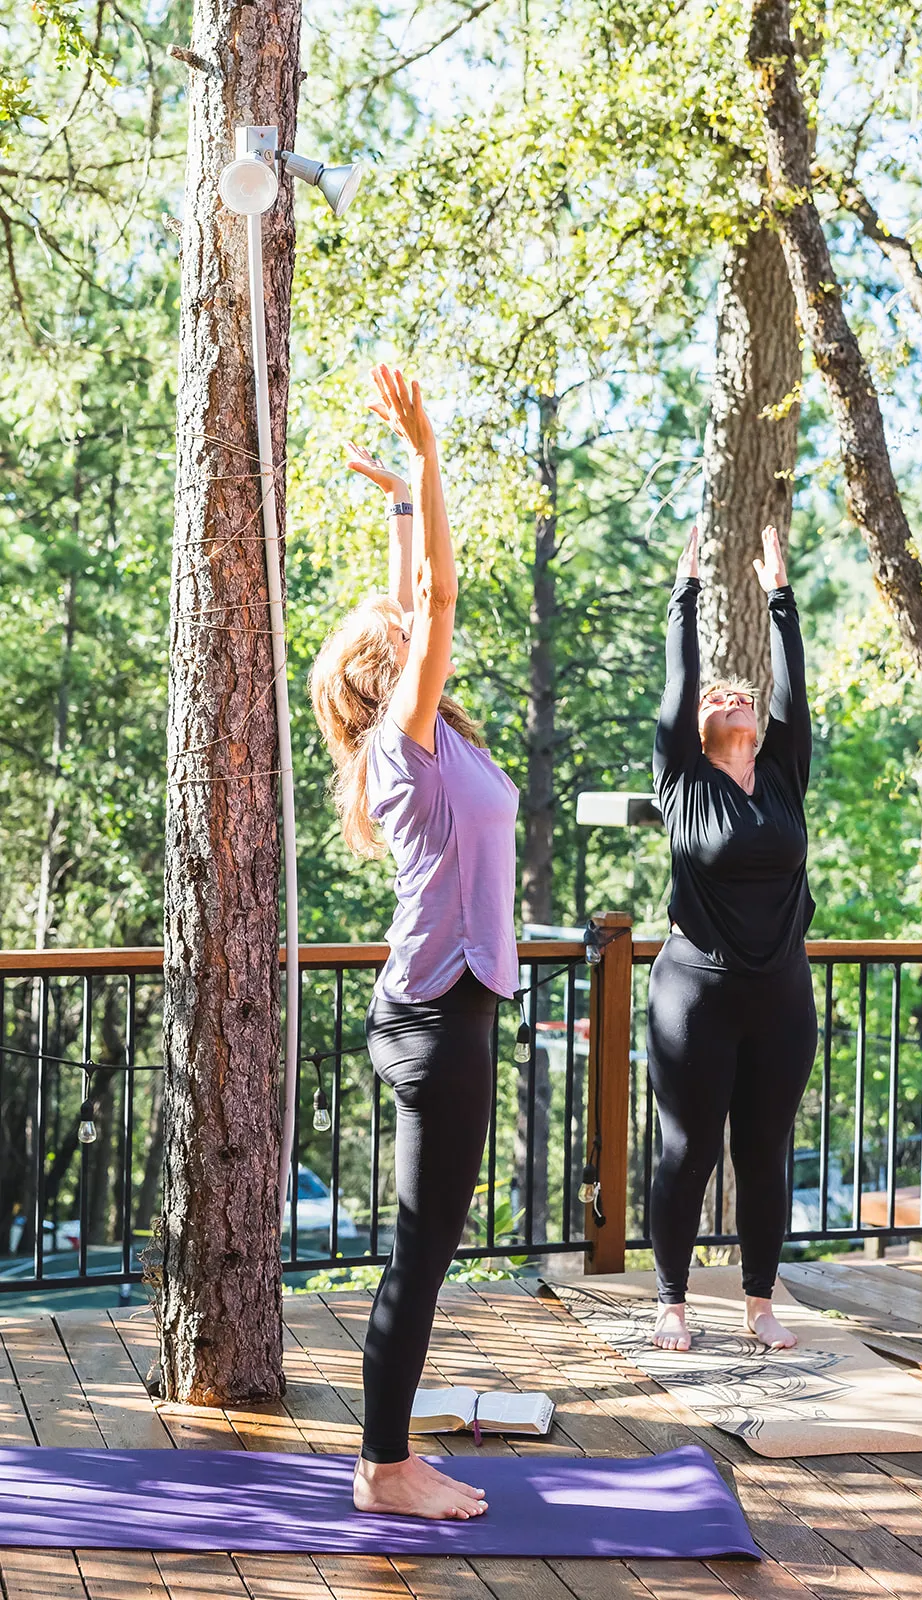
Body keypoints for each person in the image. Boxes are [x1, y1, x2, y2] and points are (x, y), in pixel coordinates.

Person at [309, 365, 519, 1519]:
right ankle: (383, 1467)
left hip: (441, 1011)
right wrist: (430, 449)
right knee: (422, 1250)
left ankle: (387, 1454)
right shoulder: (407, 739)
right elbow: (431, 599)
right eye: (386, 632)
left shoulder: (423, 736)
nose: (399, 615)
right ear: (383, 671)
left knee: (425, 1243)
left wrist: (398, 497)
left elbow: (409, 596)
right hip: (439, 1020)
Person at [646, 522, 817, 1354]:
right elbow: (679, 689)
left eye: (736, 693)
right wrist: (686, 594)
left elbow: (793, 693)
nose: (728, 697)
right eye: (717, 699)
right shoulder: (680, 781)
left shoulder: (784, 775)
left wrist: (778, 598)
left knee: (765, 1149)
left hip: (781, 992)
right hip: (696, 995)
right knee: (688, 1151)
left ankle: (758, 1303)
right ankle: (672, 1301)